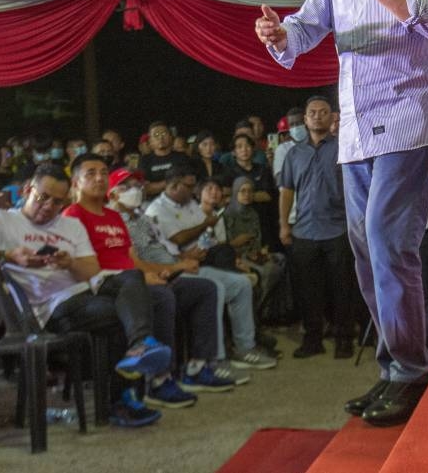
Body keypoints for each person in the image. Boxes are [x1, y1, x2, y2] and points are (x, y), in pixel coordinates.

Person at [254, 0, 428, 427]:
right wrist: (278, 33)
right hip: (357, 128)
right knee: (367, 252)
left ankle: (412, 372)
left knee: (390, 242)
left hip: (409, 115)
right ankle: (395, 369)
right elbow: (306, 27)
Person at [0, 165, 173, 428]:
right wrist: (6, 256)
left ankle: (140, 346)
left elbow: (92, 270)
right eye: (43, 197)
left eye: (57, 201)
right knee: (124, 311)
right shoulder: (2, 220)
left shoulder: (71, 225)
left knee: (133, 278)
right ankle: (122, 396)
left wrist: (69, 263)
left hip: (84, 295)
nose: (49, 205)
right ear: (28, 190)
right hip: (48, 308)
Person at [63, 155, 228, 403]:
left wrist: (157, 271)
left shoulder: (115, 218)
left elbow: (134, 261)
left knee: (203, 288)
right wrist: (142, 279)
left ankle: (197, 367)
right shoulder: (73, 216)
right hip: (108, 288)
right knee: (162, 296)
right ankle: (159, 380)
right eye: (90, 173)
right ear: (76, 183)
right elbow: (84, 268)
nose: (99, 177)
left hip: (134, 279)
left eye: (103, 172)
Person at [145, 168, 278, 370]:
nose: (193, 191)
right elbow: (177, 240)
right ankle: (216, 358)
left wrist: (203, 244)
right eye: (188, 187)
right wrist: (198, 239)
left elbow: (207, 235)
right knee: (214, 287)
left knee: (241, 284)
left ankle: (245, 347)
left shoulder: (189, 204)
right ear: (173, 186)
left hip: (198, 262)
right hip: (173, 270)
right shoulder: (157, 209)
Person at [279, 96, 356, 359]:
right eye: (313, 112)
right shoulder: (293, 154)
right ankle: (313, 339)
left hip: (338, 229)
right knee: (308, 290)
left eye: (324, 112)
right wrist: (283, 226)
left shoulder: (343, 148)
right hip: (304, 231)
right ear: (305, 119)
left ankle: (344, 338)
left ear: (331, 117)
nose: (318, 116)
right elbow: (286, 191)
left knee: (342, 287)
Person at [225, 176, 285, 314]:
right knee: (270, 270)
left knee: (281, 259)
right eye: (242, 191)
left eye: (250, 191)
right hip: (237, 257)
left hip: (254, 254)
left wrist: (262, 251)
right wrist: (237, 243)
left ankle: (274, 311)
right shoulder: (228, 215)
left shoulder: (253, 213)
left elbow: (257, 238)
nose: (247, 195)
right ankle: (257, 310)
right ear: (235, 193)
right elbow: (224, 246)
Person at [139, 122, 192, 198]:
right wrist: (173, 181)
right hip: (153, 203)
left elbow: (187, 181)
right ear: (150, 141)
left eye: (164, 133)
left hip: (178, 200)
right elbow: (146, 189)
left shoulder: (182, 157)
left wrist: (157, 186)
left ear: (171, 137)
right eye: (156, 135)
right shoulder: (145, 160)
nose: (160, 137)